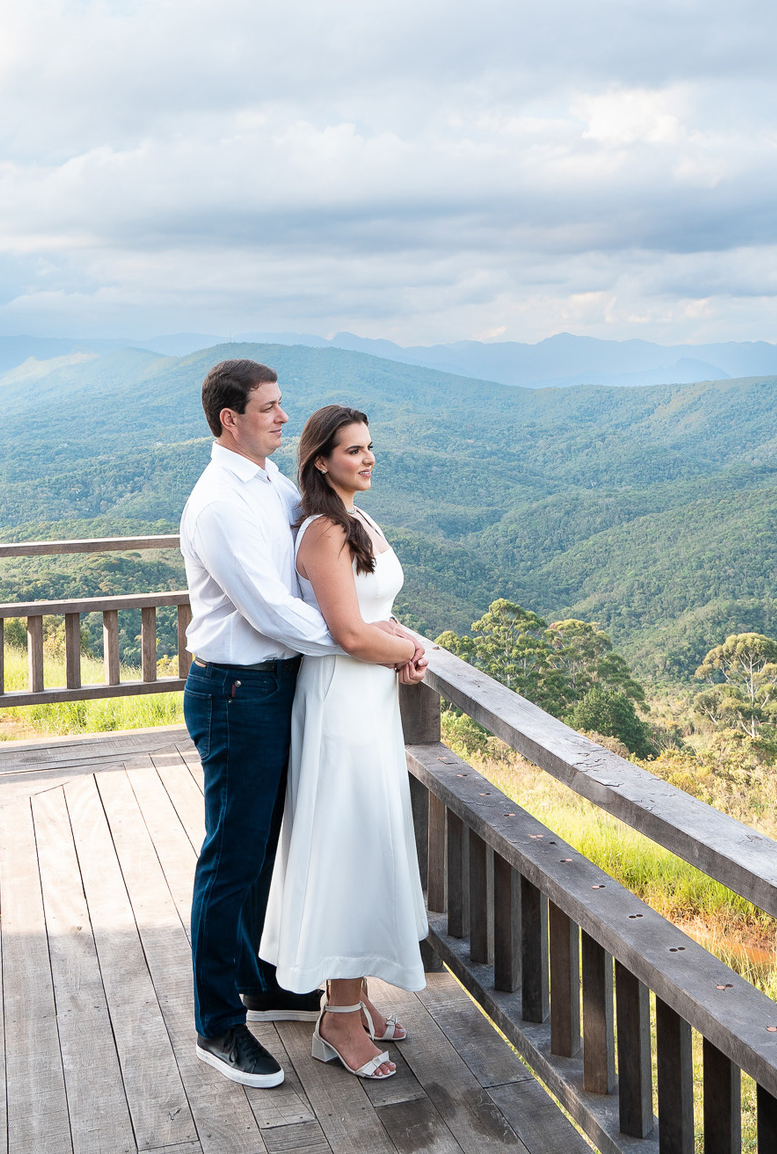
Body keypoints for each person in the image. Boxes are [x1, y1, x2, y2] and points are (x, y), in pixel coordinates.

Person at [180, 360, 426, 1089]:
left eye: (284, 407)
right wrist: (375, 647)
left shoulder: (275, 487)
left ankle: (268, 983)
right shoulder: (218, 502)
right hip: (236, 690)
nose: (283, 418)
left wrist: (379, 637)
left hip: (282, 686)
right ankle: (218, 1025)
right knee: (231, 857)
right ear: (231, 418)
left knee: (275, 846)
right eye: (270, 407)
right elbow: (277, 612)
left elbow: (333, 588)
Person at [259, 404, 430, 1082]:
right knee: (346, 849)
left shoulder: (361, 520)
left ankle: (355, 1004)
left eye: (369, 446)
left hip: (371, 705)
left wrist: (410, 643)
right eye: (353, 450)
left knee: (367, 844)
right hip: (340, 706)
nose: (367, 458)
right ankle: (336, 1017)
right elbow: (349, 634)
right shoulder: (324, 531)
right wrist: (394, 653)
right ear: (321, 461)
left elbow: (377, 617)